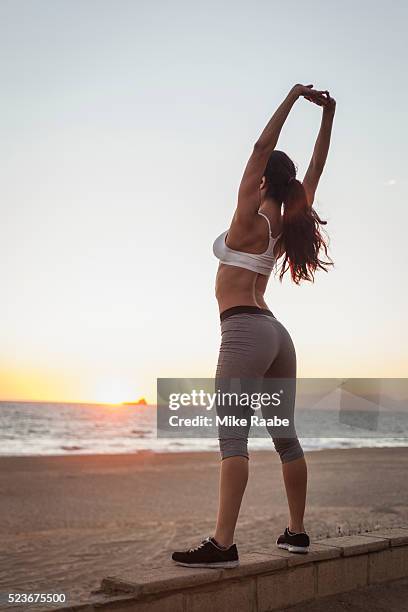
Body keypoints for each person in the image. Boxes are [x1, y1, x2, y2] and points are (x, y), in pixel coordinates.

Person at [172, 83, 336, 568]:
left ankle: (223, 544)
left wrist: (291, 98)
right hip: (276, 335)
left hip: (244, 331)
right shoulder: (285, 221)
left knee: (233, 441)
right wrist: (328, 116)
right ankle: (297, 533)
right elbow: (316, 168)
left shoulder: (249, 214)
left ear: (263, 180)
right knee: (284, 437)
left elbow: (261, 146)